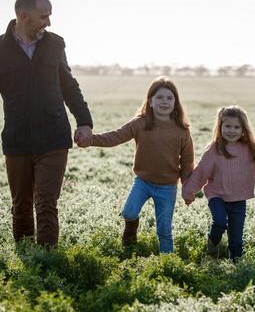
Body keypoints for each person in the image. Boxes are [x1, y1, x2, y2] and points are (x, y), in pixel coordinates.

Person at [0, 0, 93, 248]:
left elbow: (69, 85)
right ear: (23, 17)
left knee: (46, 203)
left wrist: (84, 122)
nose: (49, 22)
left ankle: (47, 263)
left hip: (54, 137)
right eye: (43, 16)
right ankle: (27, 261)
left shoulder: (56, 44)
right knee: (21, 205)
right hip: (17, 139)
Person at [77, 76, 194, 253]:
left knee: (164, 230)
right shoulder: (140, 123)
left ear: (176, 103)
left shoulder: (182, 130)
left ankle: (168, 263)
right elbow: (115, 136)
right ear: (150, 101)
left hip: (167, 187)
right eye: (160, 97)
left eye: (170, 98)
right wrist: (91, 140)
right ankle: (130, 233)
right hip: (143, 182)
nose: (165, 102)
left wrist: (188, 188)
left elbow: (187, 162)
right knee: (129, 213)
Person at [182, 105, 255, 261]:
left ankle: (236, 263)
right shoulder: (214, 149)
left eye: (236, 127)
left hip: (239, 199)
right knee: (219, 222)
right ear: (220, 127)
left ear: (243, 128)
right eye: (227, 126)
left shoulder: (250, 147)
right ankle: (212, 252)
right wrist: (188, 190)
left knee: (236, 238)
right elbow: (201, 172)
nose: (231, 130)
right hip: (217, 196)